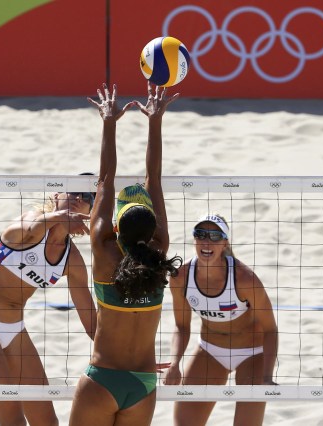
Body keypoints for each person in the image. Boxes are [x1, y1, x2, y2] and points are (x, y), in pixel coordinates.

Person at [69, 82, 182, 426]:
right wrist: (156, 120)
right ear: (153, 233)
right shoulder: (160, 257)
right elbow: (155, 178)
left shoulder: (105, 254)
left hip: (102, 379)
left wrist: (109, 121)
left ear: (116, 227)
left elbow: (105, 178)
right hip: (144, 384)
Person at [0, 186, 98, 426]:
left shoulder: (71, 260)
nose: (78, 198)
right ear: (56, 196)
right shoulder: (30, 221)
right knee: (12, 420)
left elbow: (90, 319)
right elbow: (33, 228)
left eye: (87, 197)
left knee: (46, 421)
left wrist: (124, 355)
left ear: (89, 212)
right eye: (74, 192)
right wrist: (59, 217)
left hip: (15, 331)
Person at [164, 214, 279, 426]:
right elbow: (181, 326)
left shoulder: (245, 279)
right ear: (194, 239)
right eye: (201, 235)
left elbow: (271, 329)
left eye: (215, 236)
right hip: (210, 350)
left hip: (251, 354)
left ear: (225, 243)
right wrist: (175, 363)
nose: (207, 242)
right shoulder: (180, 277)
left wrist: (266, 376)